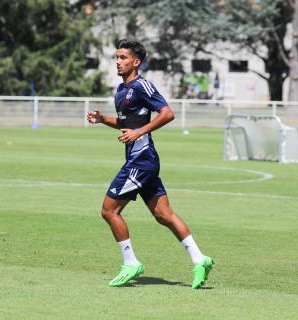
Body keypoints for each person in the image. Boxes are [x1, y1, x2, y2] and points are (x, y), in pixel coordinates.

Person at [87, 39, 214, 288]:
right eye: (117, 57)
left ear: (136, 62)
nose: (118, 61)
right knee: (163, 214)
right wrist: (104, 119)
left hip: (141, 160)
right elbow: (127, 124)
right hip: (142, 161)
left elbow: (167, 113)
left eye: (123, 58)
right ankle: (201, 259)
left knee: (109, 210)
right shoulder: (121, 90)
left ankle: (131, 262)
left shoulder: (143, 85)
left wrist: (139, 133)